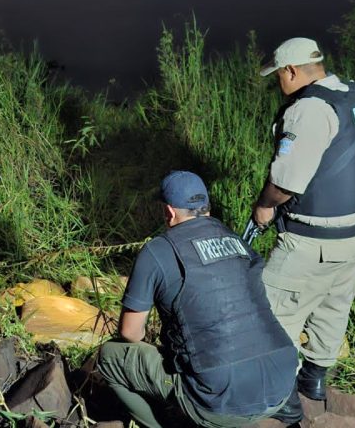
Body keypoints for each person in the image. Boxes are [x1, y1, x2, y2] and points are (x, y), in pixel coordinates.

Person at [97, 171, 302, 428]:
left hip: (217, 400)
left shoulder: (157, 250)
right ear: (207, 207)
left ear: (169, 212)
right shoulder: (236, 240)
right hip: (282, 385)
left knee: (110, 357)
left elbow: (130, 333)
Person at [252, 37, 355, 401]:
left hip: (315, 240)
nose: (279, 84)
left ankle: (278, 395)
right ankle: (314, 380)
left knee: (269, 311)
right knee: (334, 302)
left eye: (278, 76)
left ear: (291, 71)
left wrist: (264, 206)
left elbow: (285, 183)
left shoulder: (309, 109)